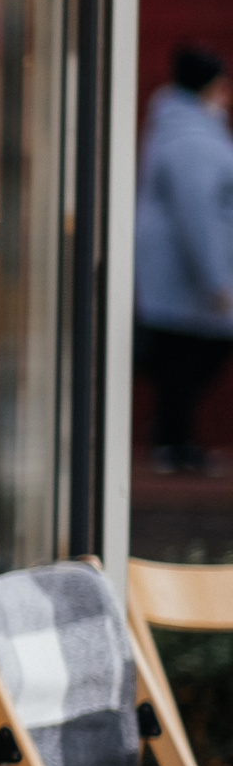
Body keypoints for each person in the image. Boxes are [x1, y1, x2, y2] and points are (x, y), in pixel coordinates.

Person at [135, 43, 233, 473]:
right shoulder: (194, 139)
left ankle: (173, 441)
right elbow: (200, 214)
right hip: (186, 274)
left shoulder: (177, 128)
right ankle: (174, 443)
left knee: (178, 357)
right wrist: (217, 279)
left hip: (173, 272)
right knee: (188, 356)